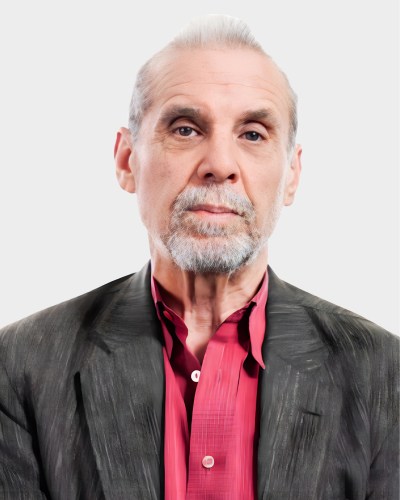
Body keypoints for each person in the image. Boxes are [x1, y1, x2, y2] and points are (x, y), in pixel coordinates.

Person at [0, 15, 398, 500]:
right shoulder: (20, 367)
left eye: (253, 134)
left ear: (292, 175)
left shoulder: (384, 375)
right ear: (128, 161)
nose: (221, 166)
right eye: (186, 129)